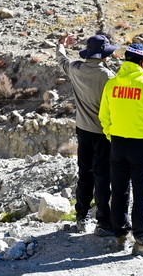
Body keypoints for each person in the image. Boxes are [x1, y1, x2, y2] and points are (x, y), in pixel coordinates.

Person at [98, 43, 143, 257]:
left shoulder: (111, 85)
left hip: (117, 144)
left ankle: (121, 235)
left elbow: (103, 116)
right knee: (141, 195)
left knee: (119, 191)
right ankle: (142, 241)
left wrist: (112, 136)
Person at [56, 32, 117, 236]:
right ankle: (103, 222)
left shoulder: (76, 69)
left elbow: (62, 59)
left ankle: (81, 216)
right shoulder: (108, 77)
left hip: (82, 130)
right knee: (102, 176)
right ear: (103, 55)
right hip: (103, 133)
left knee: (85, 173)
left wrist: (61, 45)